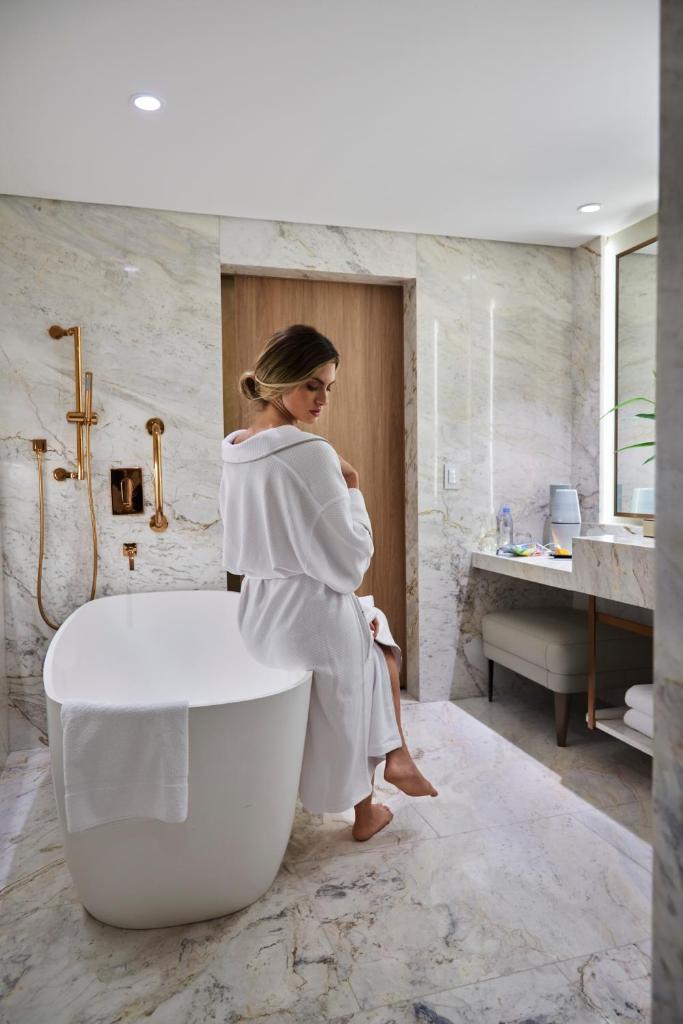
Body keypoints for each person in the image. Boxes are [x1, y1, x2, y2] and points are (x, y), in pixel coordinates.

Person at [218, 324, 437, 841]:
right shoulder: (308, 451)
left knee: (373, 637)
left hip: (259, 613)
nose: (322, 399)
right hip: (311, 615)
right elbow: (351, 561)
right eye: (312, 385)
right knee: (354, 687)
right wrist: (354, 486)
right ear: (281, 379)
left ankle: (393, 763)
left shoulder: (237, 448)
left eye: (329, 387)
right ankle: (370, 803)